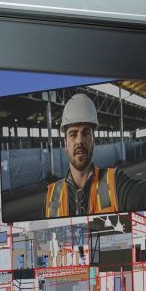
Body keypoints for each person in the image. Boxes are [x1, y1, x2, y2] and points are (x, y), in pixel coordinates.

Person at [43, 90, 122, 218]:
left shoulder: (115, 183)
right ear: (65, 143)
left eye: (86, 133)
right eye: (73, 134)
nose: (79, 141)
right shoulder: (51, 197)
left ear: (93, 140)